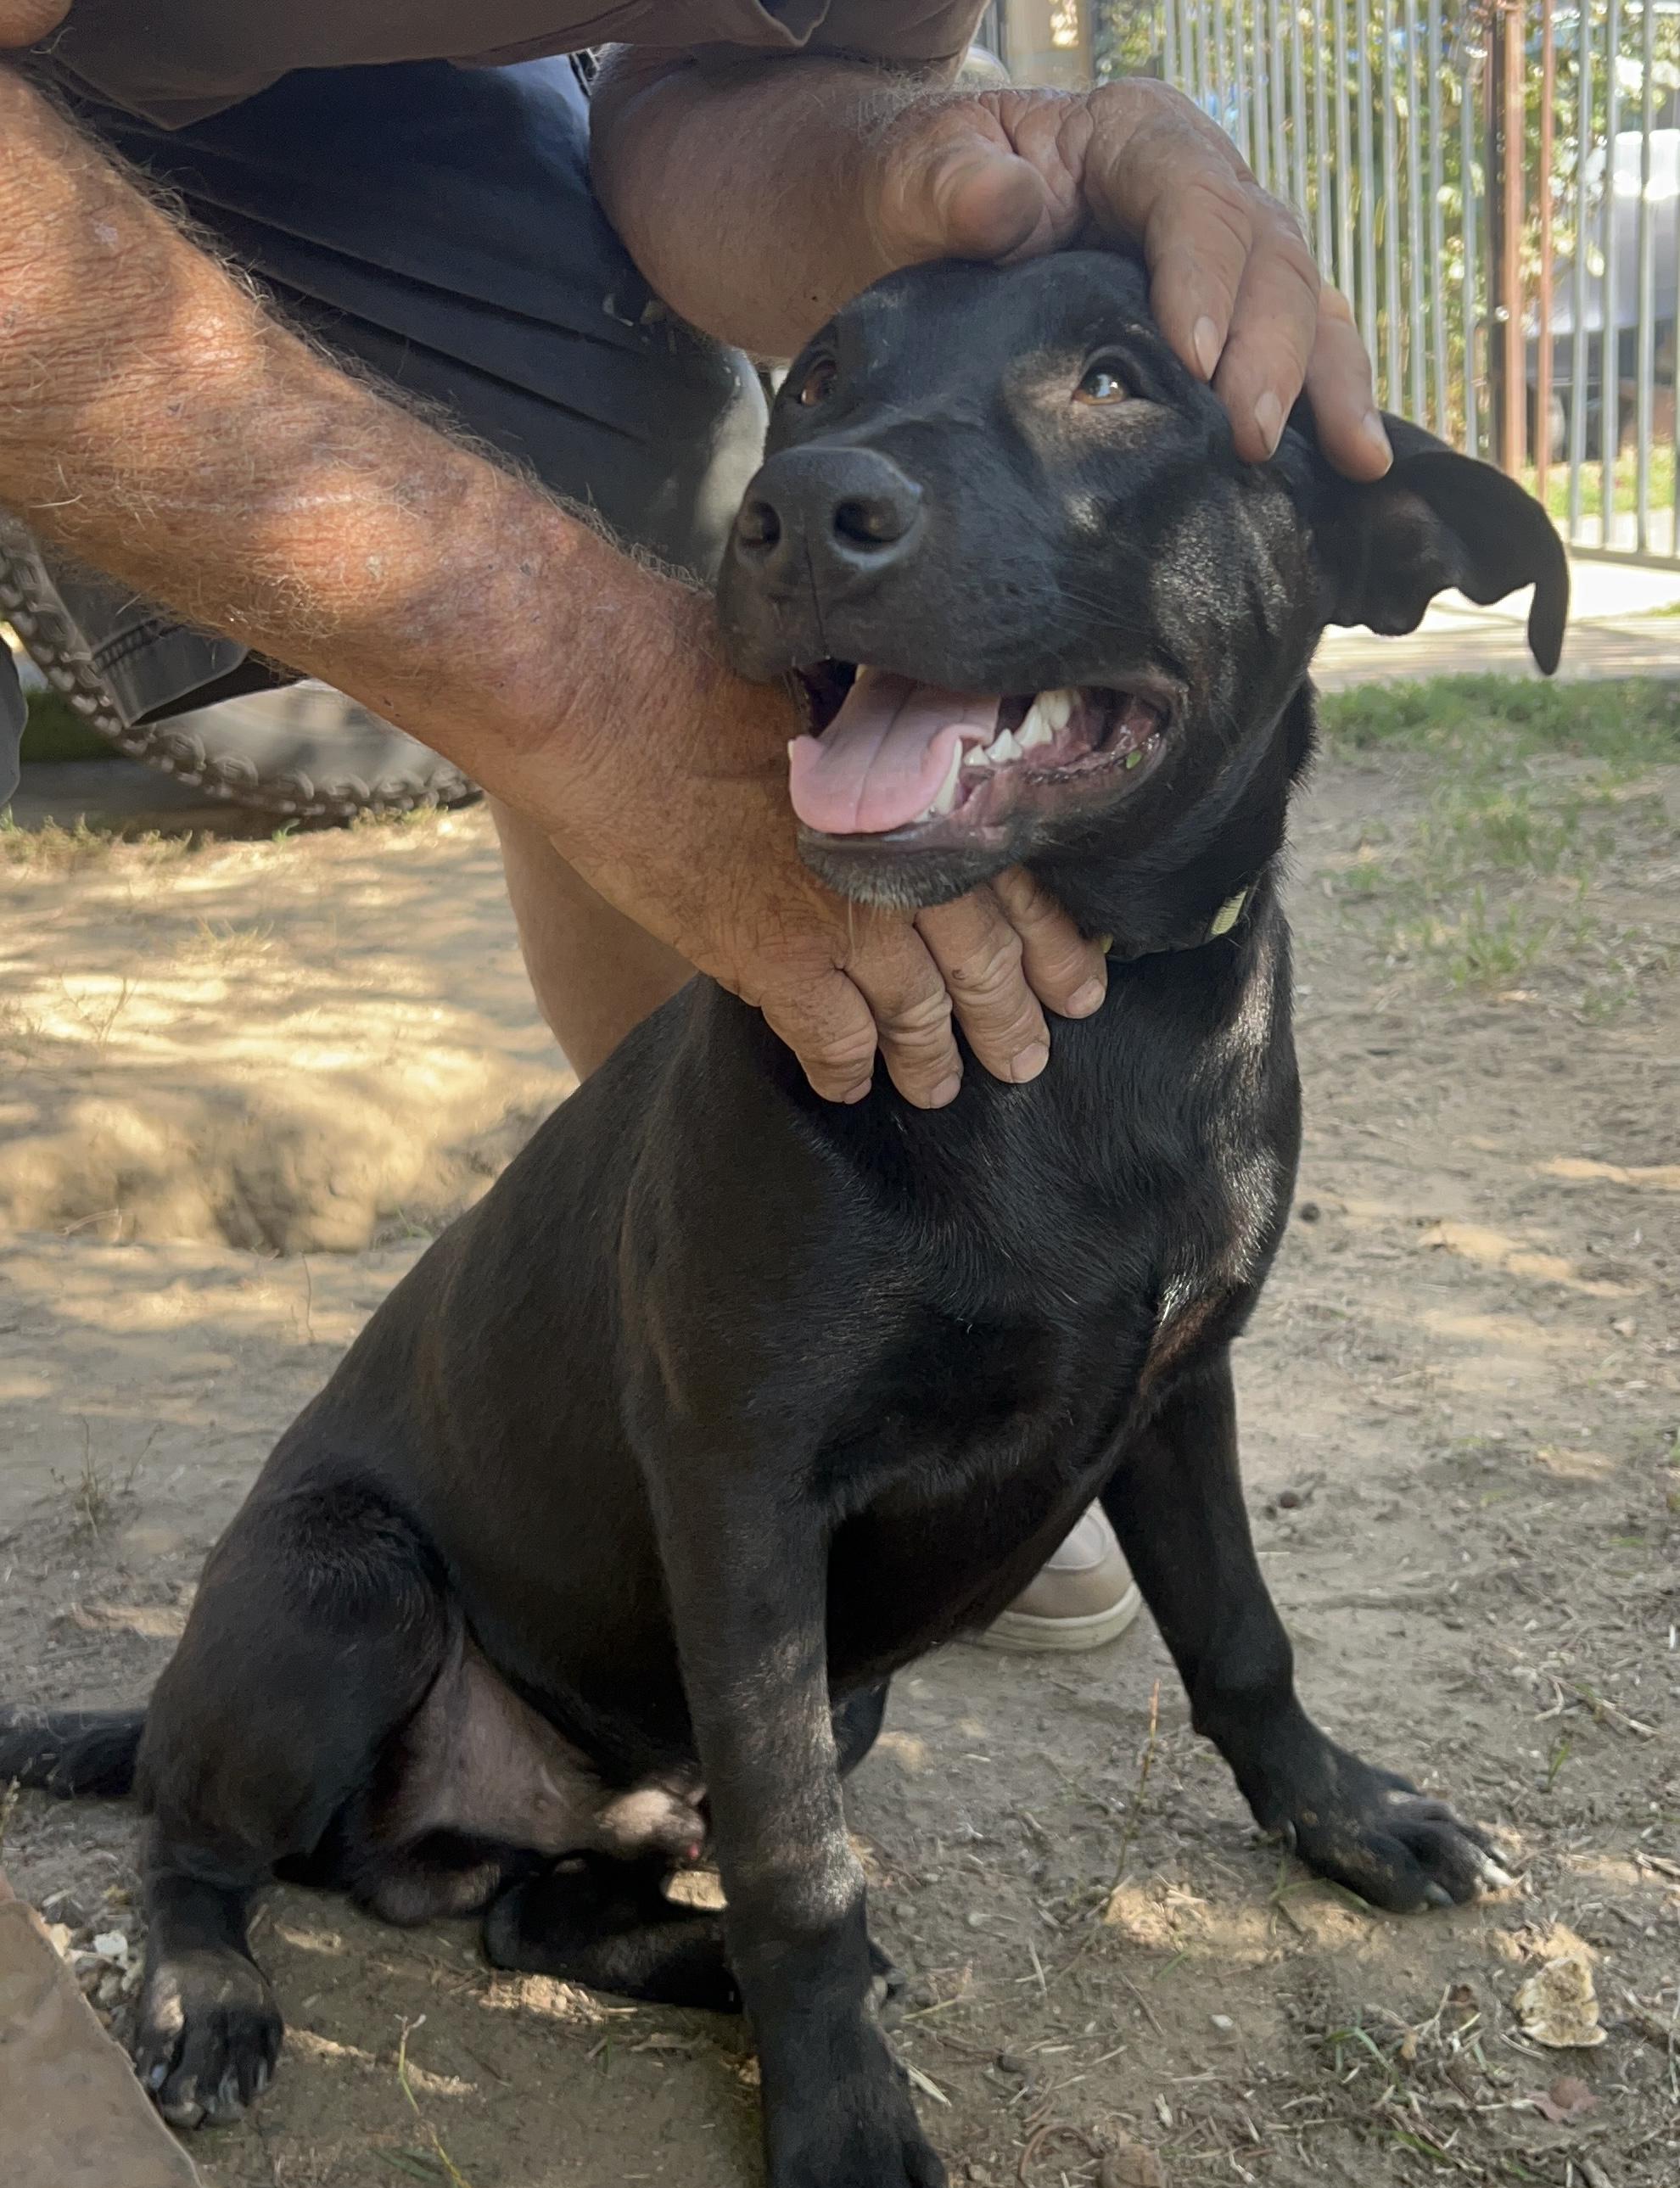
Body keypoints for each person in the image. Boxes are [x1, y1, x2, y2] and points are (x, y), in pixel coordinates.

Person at [0, 1, 1390, 1648]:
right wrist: (581, 683)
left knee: (647, 453)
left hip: (371, 93)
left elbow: (697, 97)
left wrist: (906, 164)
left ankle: (820, 1352)